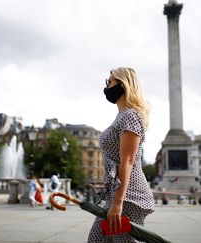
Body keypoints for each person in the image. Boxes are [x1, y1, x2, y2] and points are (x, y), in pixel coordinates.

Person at [87, 67, 154, 242]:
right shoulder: (122, 116)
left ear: (123, 84)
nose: (107, 86)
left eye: (110, 82)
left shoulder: (130, 116)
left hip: (128, 198)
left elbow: (128, 161)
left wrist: (118, 203)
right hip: (118, 195)